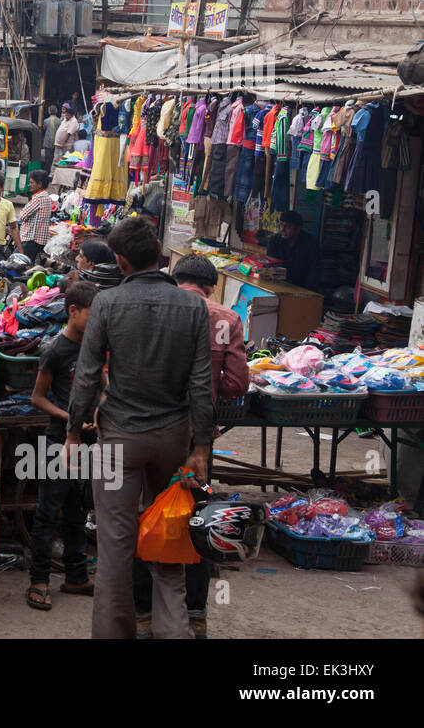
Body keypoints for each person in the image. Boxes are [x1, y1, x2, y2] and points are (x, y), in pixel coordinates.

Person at [66, 216, 213, 640]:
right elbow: (201, 383)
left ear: (121, 260)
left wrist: (74, 432)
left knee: (114, 548)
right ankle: (174, 632)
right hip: (173, 435)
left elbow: (87, 375)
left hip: (120, 437)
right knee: (169, 537)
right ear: (159, 254)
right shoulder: (192, 306)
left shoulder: (108, 303)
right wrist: (200, 447)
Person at [130, 254, 249, 638]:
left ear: (173, 278)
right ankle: (195, 614)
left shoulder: (149, 309)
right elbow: (236, 383)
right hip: (196, 438)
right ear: (212, 287)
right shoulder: (226, 319)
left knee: (145, 515)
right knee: (200, 519)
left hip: (145, 430)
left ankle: (143, 613)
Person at [26, 280, 97, 611]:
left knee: (77, 510)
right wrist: (69, 417)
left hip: (88, 442)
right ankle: (39, 581)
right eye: (91, 314)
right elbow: (37, 398)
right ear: (73, 311)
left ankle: (77, 575)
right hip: (58, 440)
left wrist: (97, 412)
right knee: (47, 512)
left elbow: (104, 387)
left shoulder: (96, 347)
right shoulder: (55, 349)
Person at [265, 210, 320, 291]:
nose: (282, 229)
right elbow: (272, 266)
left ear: (298, 228)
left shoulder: (311, 243)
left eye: (288, 227)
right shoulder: (274, 241)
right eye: (281, 225)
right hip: (279, 286)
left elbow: (314, 271)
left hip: (303, 287)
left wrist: (307, 292)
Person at [18, 170, 54, 261]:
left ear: (40, 184)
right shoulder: (46, 196)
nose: (30, 185)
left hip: (31, 240)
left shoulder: (38, 198)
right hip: (39, 241)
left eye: (32, 182)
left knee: (17, 263)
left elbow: (22, 216)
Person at [42, 104, 61, 170]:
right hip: (56, 143)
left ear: (49, 111)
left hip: (47, 143)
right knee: (55, 158)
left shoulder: (45, 121)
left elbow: (43, 130)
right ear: (56, 111)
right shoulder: (59, 121)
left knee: (48, 159)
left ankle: (47, 172)